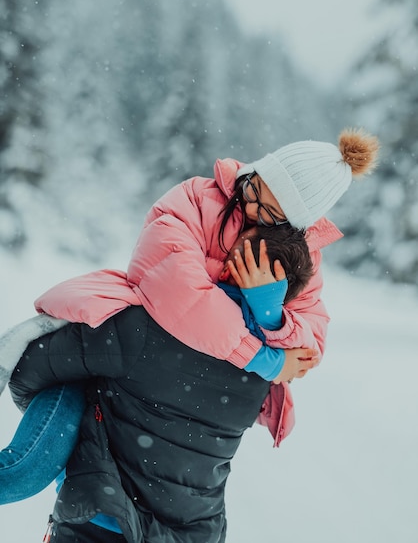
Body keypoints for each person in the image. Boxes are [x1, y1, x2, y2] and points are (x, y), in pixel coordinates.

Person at [7, 129, 379, 541]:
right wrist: (262, 355)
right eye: (255, 187)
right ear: (256, 169)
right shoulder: (198, 199)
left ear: (293, 225)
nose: (252, 208)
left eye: (270, 213)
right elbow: (174, 289)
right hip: (151, 341)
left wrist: (271, 315)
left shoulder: (300, 256)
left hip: (139, 373)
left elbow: (309, 348)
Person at [0, 223, 314, 505]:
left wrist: (75, 405)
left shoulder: (148, 324)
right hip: (196, 531)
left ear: (236, 265)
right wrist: (270, 315)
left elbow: (31, 365)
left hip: (103, 517)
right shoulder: (266, 376)